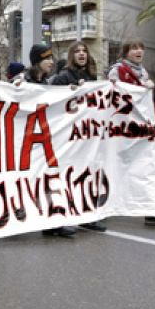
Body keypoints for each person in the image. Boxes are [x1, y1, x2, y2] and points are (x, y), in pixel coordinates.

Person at [108, 39, 155, 228]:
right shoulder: (118, 71)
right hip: (124, 133)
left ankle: (153, 212)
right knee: (117, 168)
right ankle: (103, 205)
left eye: (141, 48)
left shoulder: (144, 73)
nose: (138, 51)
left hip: (144, 131)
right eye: (133, 49)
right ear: (126, 52)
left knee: (150, 169)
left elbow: (148, 104)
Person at [50, 41, 106, 232]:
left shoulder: (91, 77)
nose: (82, 54)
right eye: (78, 51)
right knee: (66, 177)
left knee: (87, 176)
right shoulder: (62, 78)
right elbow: (53, 105)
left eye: (85, 51)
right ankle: (59, 218)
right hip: (67, 138)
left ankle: (87, 215)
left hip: (86, 137)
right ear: (71, 56)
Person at [22, 44, 76, 237]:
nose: (52, 62)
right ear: (37, 61)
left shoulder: (49, 83)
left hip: (43, 140)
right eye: (47, 59)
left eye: (52, 58)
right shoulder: (22, 81)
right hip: (25, 142)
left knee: (50, 177)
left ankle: (53, 221)